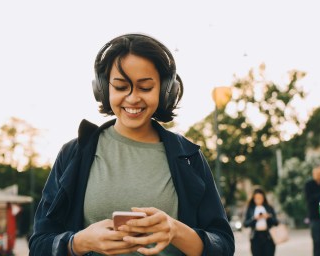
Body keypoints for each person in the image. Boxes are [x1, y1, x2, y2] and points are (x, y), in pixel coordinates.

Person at [28, 33, 235, 256]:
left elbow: (223, 245)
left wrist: (176, 231)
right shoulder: (74, 154)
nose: (133, 98)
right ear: (103, 89)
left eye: (145, 88)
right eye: (120, 87)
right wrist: (78, 243)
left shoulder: (189, 157)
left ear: (166, 91)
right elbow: (39, 244)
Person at [243, 187, 279, 256]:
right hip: (255, 237)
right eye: (257, 198)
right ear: (253, 198)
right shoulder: (250, 208)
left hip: (268, 237)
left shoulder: (269, 207)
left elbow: (276, 222)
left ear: (264, 198)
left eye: (260, 198)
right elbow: (245, 224)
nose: (259, 200)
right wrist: (254, 218)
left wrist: (268, 217)